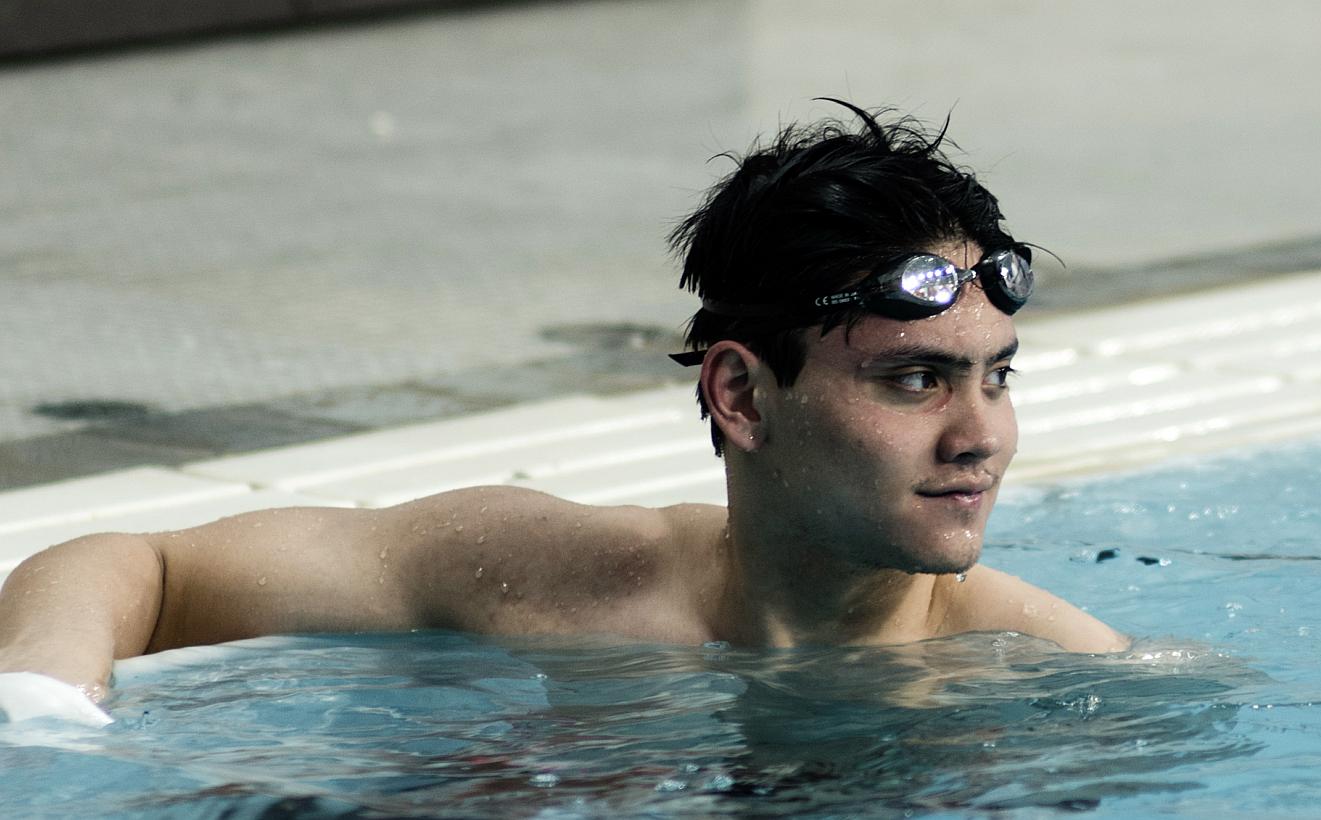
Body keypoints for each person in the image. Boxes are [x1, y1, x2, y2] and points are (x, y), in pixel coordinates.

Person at [0, 102, 1127, 721]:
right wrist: (44, 709)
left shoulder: (1055, 687)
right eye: (914, 378)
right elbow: (130, 565)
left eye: (995, 374)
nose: (980, 434)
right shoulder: (539, 574)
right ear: (740, 393)